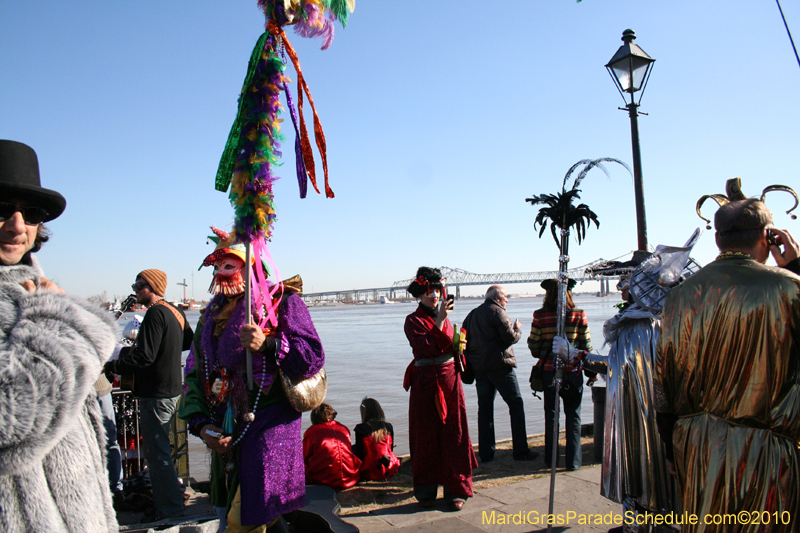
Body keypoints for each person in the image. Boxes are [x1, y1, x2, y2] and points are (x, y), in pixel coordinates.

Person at [654, 179, 800, 531]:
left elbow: (664, 380)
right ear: (768, 236)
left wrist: (670, 445)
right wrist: (796, 265)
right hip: (765, 451)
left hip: (697, 446)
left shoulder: (679, 296)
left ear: (718, 238)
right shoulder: (789, 287)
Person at [0, 139, 118, 532]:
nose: (17, 225)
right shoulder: (46, 304)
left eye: (31, 214)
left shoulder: (35, 292)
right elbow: (11, 423)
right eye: (1, 208)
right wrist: (60, 321)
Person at [179, 226, 324, 532]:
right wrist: (201, 425)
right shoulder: (209, 317)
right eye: (216, 266)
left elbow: (312, 357)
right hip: (224, 430)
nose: (220, 273)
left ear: (253, 267)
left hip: (269, 428)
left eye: (229, 265)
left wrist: (269, 345)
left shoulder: (283, 302)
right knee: (250, 515)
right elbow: (194, 372)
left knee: (248, 515)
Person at [559, 236, 701, 531]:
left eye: (626, 279)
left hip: (645, 414)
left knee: (643, 465)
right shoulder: (661, 318)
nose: (620, 285)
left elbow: (619, 368)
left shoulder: (640, 325)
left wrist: (576, 355)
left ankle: (641, 522)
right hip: (660, 413)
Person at [104, 268, 193, 521]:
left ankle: (169, 510)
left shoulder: (155, 313)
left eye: (139, 286)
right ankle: (170, 503)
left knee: (157, 455)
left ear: (152, 287)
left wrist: (113, 366)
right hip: (171, 389)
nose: (135, 291)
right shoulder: (175, 310)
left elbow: (145, 357)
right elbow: (188, 341)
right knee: (163, 452)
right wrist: (167, 352)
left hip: (155, 393)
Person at [403, 267, 477, 512]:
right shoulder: (412, 320)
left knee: (455, 433)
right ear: (419, 294)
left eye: (437, 290)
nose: (435, 296)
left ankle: (456, 488)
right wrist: (441, 320)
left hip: (450, 381)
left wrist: (460, 347)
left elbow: (452, 349)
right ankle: (426, 489)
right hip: (425, 383)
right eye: (429, 291)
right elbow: (426, 347)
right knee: (425, 435)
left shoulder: (446, 318)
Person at [462, 285, 538, 463]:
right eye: (506, 297)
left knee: (485, 410)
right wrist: (518, 329)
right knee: (516, 404)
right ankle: (521, 450)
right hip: (501, 367)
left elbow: (464, 340)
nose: (507, 300)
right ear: (497, 298)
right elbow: (510, 337)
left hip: (480, 369)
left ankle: (486, 453)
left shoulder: (472, 314)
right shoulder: (498, 311)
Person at [527, 278, 593, 471]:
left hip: (549, 371)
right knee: (574, 416)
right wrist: (589, 369)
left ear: (547, 294)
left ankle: (551, 459)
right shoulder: (579, 314)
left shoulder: (540, 315)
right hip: (573, 371)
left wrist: (542, 351)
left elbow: (534, 346)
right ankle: (573, 462)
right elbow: (586, 347)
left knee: (551, 416)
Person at [302, 404, 361, 490]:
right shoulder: (343, 428)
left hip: (323, 481)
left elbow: (304, 457)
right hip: (350, 478)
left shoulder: (311, 432)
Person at [353, 398, 400, 481]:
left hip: (369, 471)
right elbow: (391, 449)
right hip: (389, 468)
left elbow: (360, 453)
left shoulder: (360, 428)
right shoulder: (388, 426)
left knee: (352, 448)